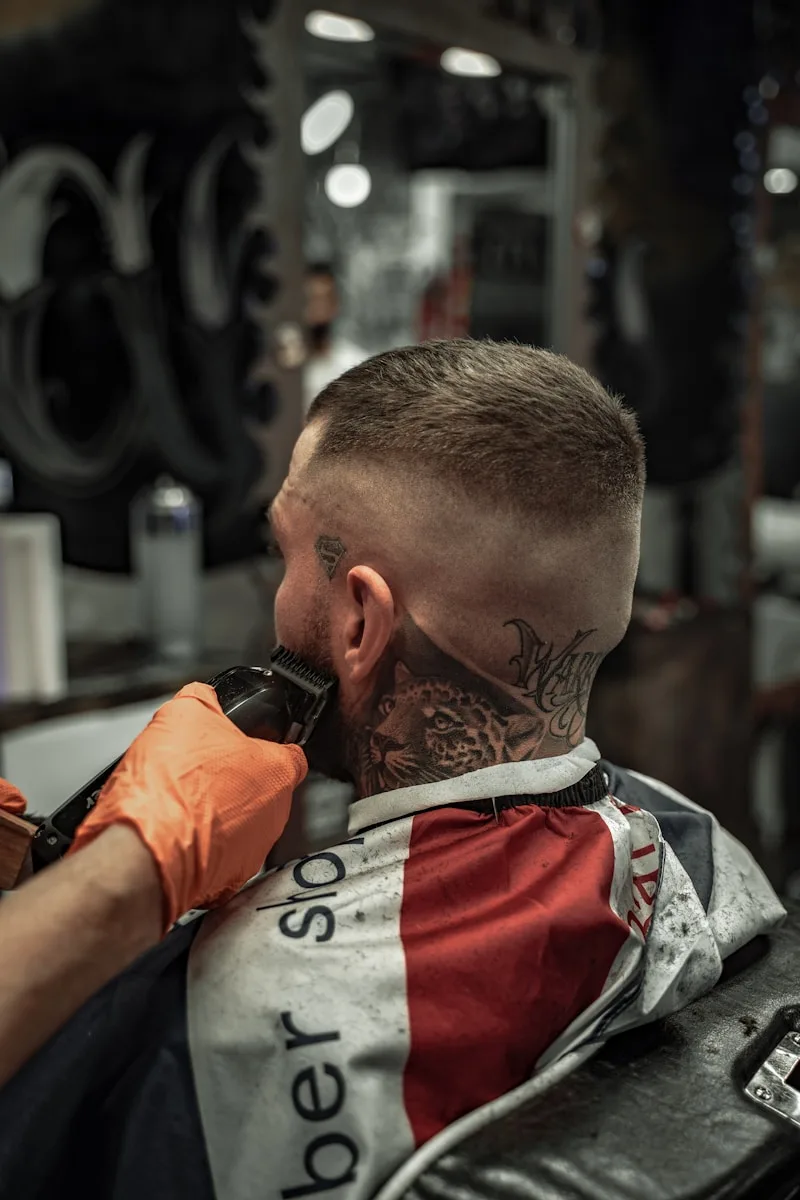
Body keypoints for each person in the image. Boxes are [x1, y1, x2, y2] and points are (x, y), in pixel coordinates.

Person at [0, 339, 784, 1200]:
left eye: (283, 554)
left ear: (361, 621)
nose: (277, 592)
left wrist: (126, 883)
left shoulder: (226, 1007)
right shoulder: (703, 849)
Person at [303, 262, 367, 415]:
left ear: (335, 304)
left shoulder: (354, 366)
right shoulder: (284, 367)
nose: (317, 308)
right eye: (310, 299)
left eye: (323, 299)